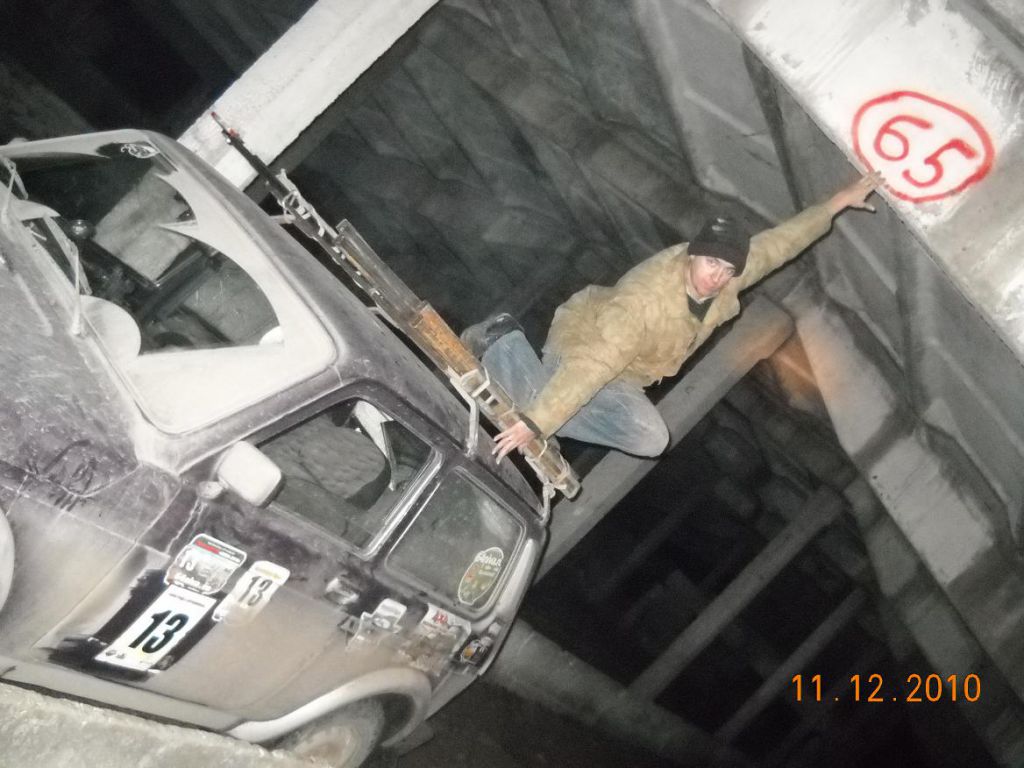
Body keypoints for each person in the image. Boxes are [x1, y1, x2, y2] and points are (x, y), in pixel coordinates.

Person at [462, 173, 883, 462]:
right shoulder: (643, 301)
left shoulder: (726, 274)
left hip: (625, 374)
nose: (717, 278)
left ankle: (534, 392)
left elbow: (777, 246)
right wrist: (537, 423)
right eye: (712, 265)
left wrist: (835, 204)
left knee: (650, 439)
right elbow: (594, 365)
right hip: (582, 345)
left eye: (727, 270)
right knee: (559, 401)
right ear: (693, 254)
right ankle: (502, 341)